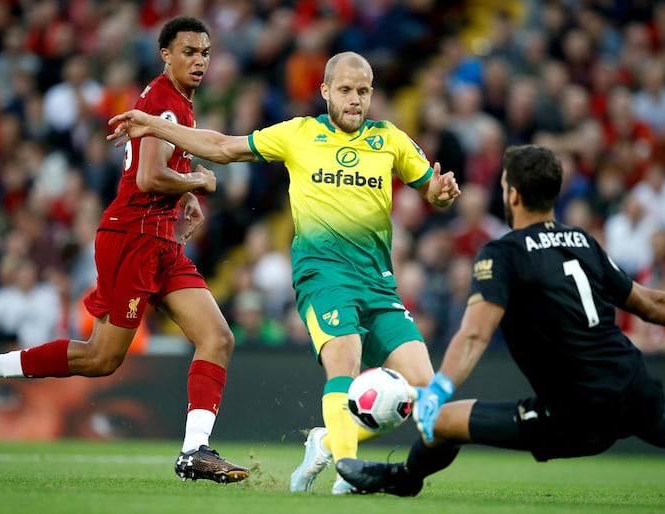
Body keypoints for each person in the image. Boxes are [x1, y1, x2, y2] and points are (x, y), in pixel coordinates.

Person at [106, 51, 461, 494]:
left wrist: (442, 193)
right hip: (324, 276)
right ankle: (350, 468)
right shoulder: (299, 134)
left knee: (427, 396)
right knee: (345, 361)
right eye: (346, 90)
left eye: (363, 92)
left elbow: (432, 189)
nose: (355, 100)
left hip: (379, 284)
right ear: (326, 91)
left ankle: (328, 441)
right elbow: (222, 147)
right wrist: (154, 124)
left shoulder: (389, 139)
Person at [334, 144, 665, 497]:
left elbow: (475, 334)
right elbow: (651, 303)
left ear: (512, 194)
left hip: (574, 411)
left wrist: (439, 387)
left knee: (440, 423)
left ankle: (405, 479)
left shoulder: (502, 254)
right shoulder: (582, 240)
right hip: (632, 384)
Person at [0, 16, 249, 484]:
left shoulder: (175, 103)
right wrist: (199, 181)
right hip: (132, 240)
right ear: (165, 54)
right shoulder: (165, 104)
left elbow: (150, 176)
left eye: (205, 52)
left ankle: (195, 452)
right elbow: (149, 177)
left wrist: (182, 193)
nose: (200, 61)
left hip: (159, 241)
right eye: (189, 51)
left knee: (218, 337)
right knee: (101, 358)